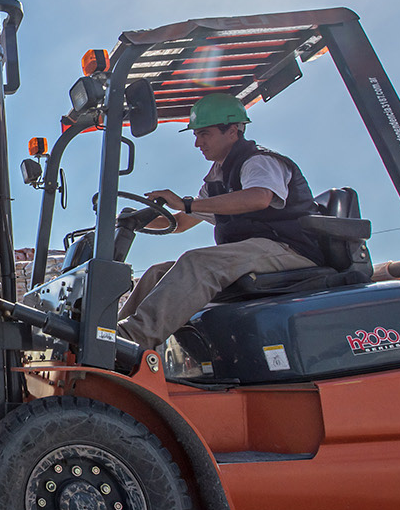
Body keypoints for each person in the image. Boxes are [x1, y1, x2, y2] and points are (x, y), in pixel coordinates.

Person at [116, 92, 324, 351]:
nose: (197, 143)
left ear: (233, 130)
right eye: (195, 135)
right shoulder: (216, 179)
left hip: (290, 250)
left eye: (204, 134)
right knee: (157, 273)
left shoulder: (260, 161)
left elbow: (259, 197)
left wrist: (187, 203)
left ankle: (130, 340)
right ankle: (109, 334)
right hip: (257, 253)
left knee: (198, 261)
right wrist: (132, 222)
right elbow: (180, 223)